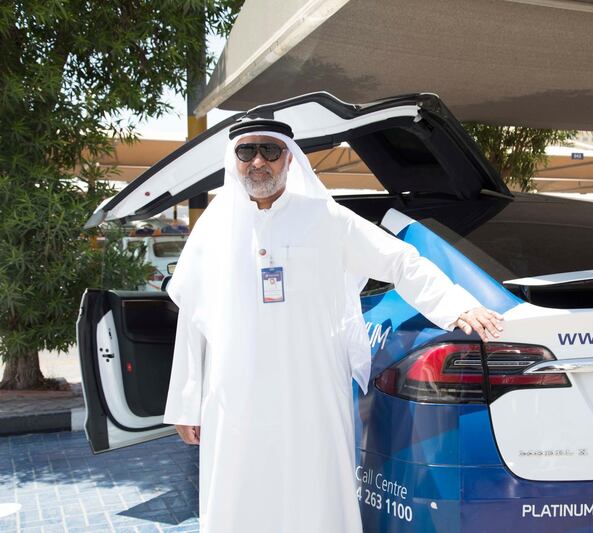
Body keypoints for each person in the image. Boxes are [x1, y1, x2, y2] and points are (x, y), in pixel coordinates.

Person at [162, 112, 503, 533]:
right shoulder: (212, 229)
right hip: (235, 400)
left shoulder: (326, 219)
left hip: (312, 396)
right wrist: (185, 400)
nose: (258, 162)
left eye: (270, 150)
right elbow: (192, 320)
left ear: (290, 159)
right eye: (246, 151)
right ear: (233, 160)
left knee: (315, 498)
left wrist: (454, 305)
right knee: (240, 499)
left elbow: (399, 260)